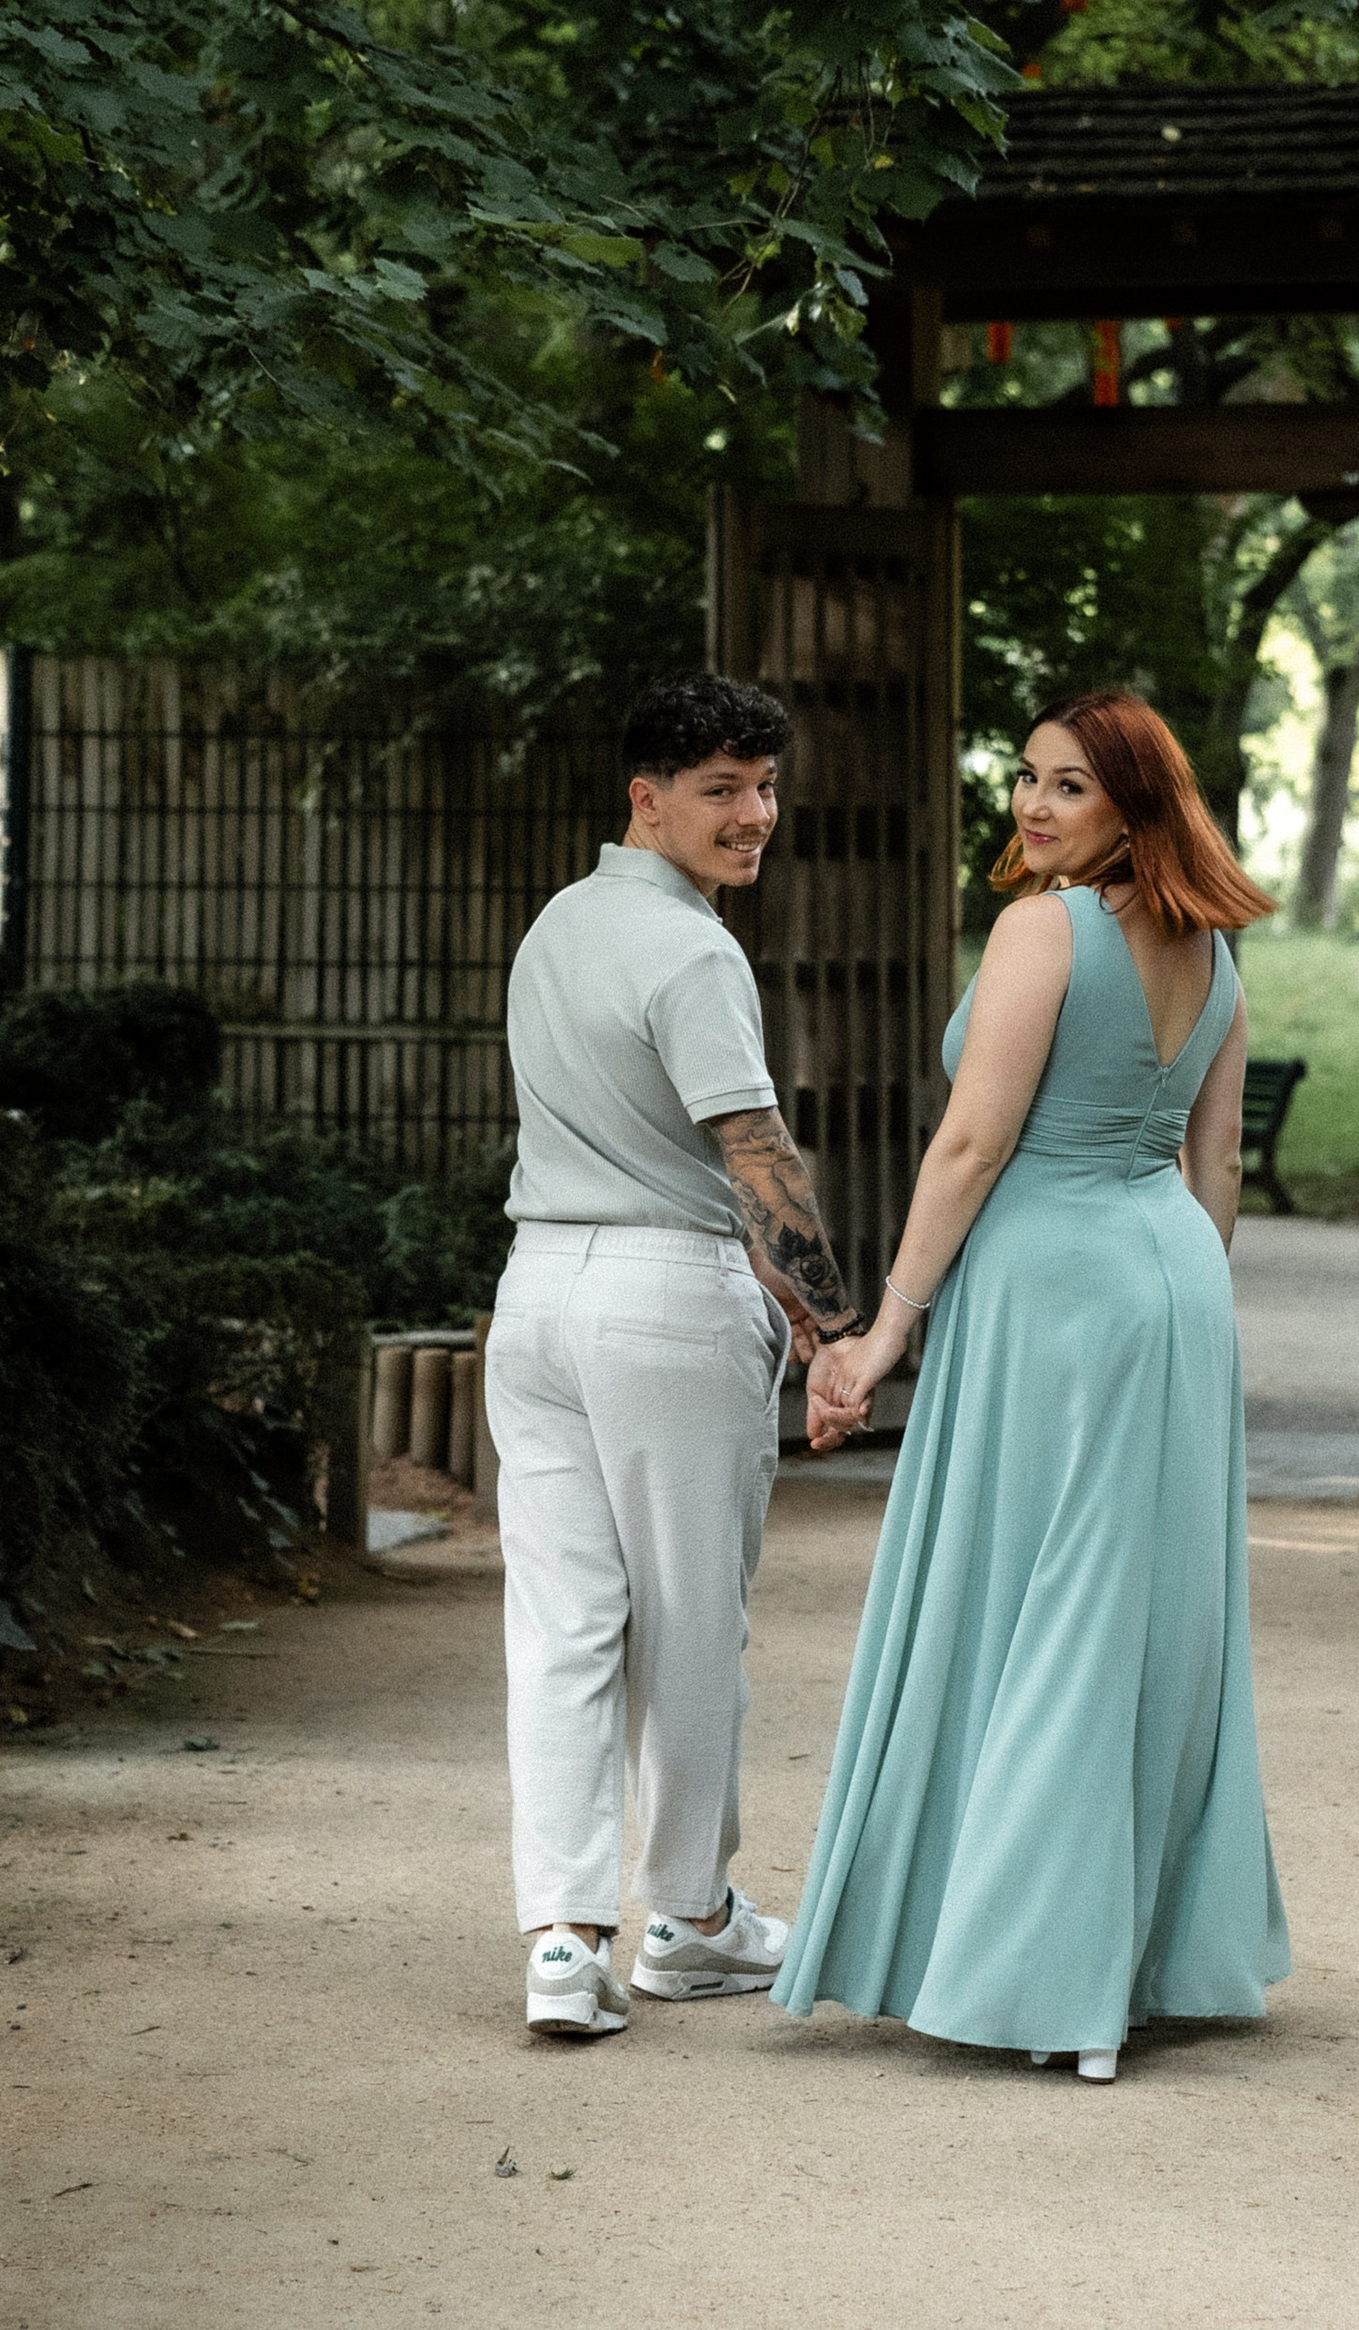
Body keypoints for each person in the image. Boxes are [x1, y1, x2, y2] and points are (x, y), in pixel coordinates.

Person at [774, 690, 1291, 2082]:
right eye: (1023, 776)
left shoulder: (1043, 932)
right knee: (1142, 1616)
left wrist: (882, 1332)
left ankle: (1040, 1974)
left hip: (1052, 1291)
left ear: (1135, 803)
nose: (1031, 803)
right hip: (1175, 1282)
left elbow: (968, 1148)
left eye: (1069, 784)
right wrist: (1179, 1299)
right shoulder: (1215, 949)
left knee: (1048, 1609)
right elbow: (1218, 1160)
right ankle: (1126, 1960)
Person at [487, 672, 870, 2041]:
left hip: (534, 1296)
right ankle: (695, 1920)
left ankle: (562, 1939)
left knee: (567, 1623)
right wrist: (838, 1327)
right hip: (663, 1295)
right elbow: (757, 1162)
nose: (754, 813)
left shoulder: (555, 926)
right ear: (643, 798)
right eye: (721, 787)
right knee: (693, 1623)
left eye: (765, 784)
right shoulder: (696, 953)